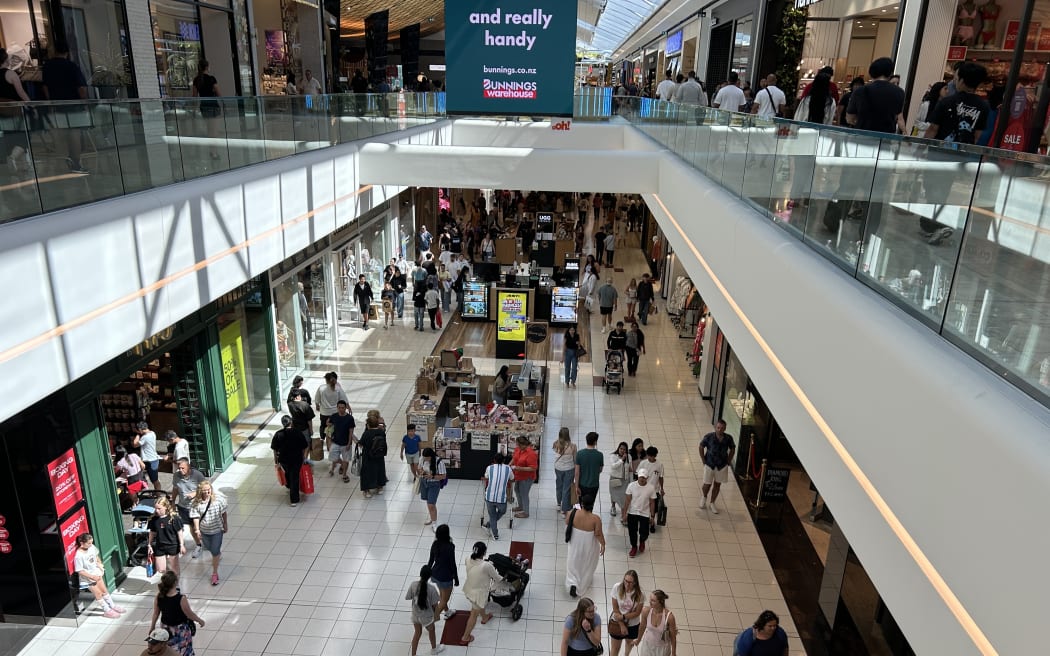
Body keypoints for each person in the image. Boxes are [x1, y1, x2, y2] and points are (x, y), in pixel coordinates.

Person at [42, 45, 90, 173]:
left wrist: (50, 102)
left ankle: (64, 163)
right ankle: (76, 163)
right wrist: (85, 104)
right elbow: (81, 87)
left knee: (60, 134)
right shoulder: (71, 66)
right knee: (74, 133)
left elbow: (45, 87)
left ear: (54, 51)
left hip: (57, 104)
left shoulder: (47, 66)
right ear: (67, 53)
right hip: (73, 104)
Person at [924, 62, 989, 144]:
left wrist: (922, 146)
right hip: (964, 150)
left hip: (941, 148)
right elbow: (977, 135)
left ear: (961, 81)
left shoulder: (946, 101)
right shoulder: (983, 106)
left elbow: (933, 129)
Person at [149, 571, 205, 656]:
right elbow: (189, 614)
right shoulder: (181, 598)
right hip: (180, 629)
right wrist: (200, 620)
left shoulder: (159, 596)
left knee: (170, 649)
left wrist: (152, 626)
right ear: (175, 582)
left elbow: (156, 613)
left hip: (165, 628)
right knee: (184, 649)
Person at [846, 58, 906, 134]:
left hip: (862, 135)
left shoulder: (860, 91)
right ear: (890, 73)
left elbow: (850, 119)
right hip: (886, 137)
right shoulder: (899, 92)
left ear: (871, 72)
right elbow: (898, 116)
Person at [460, 542, 502, 645]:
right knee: (474, 614)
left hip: (468, 589)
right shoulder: (486, 565)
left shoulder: (467, 558)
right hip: (478, 595)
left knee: (479, 606)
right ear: (484, 553)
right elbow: (497, 578)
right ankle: (465, 637)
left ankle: (485, 617)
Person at [74, 533, 125, 618]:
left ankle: (112, 606)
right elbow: (80, 570)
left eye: (91, 542)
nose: (91, 545)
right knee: (98, 593)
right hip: (88, 578)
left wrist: (100, 564)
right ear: (82, 543)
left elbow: (96, 556)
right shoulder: (79, 556)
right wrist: (92, 577)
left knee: (104, 590)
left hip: (96, 573)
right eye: (89, 543)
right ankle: (107, 610)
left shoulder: (91, 547)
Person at [565, 493, 606, 598]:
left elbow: (567, 522)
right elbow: (598, 533)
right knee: (587, 562)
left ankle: (572, 582)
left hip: (575, 542)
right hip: (588, 544)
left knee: (573, 562)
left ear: (582, 503)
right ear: (592, 504)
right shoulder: (595, 519)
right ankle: (582, 583)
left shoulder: (572, 513)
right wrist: (603, 544)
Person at [0, 48, 32, 176]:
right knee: (24, 135)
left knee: (9, 136)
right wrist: (31, 105)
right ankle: (13, 157)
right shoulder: (10, 74)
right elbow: (21, 93)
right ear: (5, 59)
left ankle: (23, 165)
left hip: (1, 111)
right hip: (14, 110)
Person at [189, 480, 227, 586]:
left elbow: (224, 513)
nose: (207, 492)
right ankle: (217, 554)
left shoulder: (218, 500)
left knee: (214, 550)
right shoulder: (196, 503)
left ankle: (214, 573)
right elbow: (195, 517)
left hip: (217, 530)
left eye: (208, 490)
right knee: (209, 548)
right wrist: (197, 530)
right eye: (204, 490)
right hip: (204, 530)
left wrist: (225, 524)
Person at [406, 565, 446, 656]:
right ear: (430, 576)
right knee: (431, 631)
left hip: (415, 615)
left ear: (420, 574)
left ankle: (413, 654)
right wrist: (436, 616)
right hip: (426, 617)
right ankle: (434, 650)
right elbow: (435, 605)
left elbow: (409, 597)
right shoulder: (432, 589)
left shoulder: (413, 584)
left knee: (417, 634)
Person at [271, 415, 309, 507]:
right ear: (291, 422)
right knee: (294, 477)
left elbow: (274, 449)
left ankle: (289, 485)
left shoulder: (278, 434)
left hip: (284, 460)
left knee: (288, 473)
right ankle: (294, 499)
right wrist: (304, 457)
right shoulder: (297, 432)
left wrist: (276, 461)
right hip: (296, 459)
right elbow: (304, 446)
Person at [699, 419, 736, 514]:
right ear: (715, 427)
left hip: (722, 465)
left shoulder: (728, 438)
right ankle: (704, 496)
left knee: (717, 485)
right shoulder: (709, 437)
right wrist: (703, 460)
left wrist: (729, 460)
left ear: (725, 429)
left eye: (722, 428)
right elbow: (701, 446)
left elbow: (732, 448)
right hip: (709, 464)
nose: (720, 430)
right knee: (707, 484)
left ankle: (712, 502)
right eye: (718, 427)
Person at [170, 458, 205, 558]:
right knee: (191, 527)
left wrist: (195, 493)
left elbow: (206, 488)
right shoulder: (176, 476)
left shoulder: (197, 475)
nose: (180, 470)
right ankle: (198, 545)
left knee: (199, 527)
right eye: (179, 468)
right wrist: (173, 501)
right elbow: (175, 489)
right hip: (183, 506)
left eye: (183, 468)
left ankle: (205, 541)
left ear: (188, 467)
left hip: (197, 506)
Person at [191, 60, 223, 162]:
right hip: (213, 106)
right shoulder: (211, 79)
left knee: (209, 130)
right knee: (214, 131)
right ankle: (214, 152)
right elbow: (219, 94)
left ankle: (212, 151)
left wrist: (194, 109)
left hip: (204, 107)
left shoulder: (196, 80)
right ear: (207, 67)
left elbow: (194, 97)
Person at [623, 468, 658, 558]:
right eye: (640, 477)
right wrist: (624, 513)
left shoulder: (651, 488)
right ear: (637, 476)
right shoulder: (631, 486)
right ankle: (634, 547)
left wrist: (652, 516)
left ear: (647, 478)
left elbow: (652, 503)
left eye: (644, 477)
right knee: (632, 532)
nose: (642, 479)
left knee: (644, 532)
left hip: (644, 513)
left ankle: (642, 541)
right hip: (632, 512)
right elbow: (627, 500)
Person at [428, 524, 459, 620]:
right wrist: (456, 578)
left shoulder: (435, 544)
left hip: (435, 574)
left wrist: (427, 573)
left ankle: (447, 611)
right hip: (446, 577)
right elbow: (452, 564)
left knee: (442, 595)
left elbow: (431, 560)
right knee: (444, 600)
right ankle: (431, 620)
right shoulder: (450, 547)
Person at [147, 497, 185, 576]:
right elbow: (152, 532)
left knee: (174, 568)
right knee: (161, 569)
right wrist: (149, 544)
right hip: (160, 546)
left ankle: (175, 581)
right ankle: (167, 578)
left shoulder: (174, 518)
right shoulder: (154, 519)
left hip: (172, 545)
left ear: (166, 507)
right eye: (156, 508)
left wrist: (181, 545)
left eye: (159, 508)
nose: (157, 511)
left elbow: (179, 532)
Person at [610, 570, 644, 656]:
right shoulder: (617, 587)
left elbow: (637, 612)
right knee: (614, 649)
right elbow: (615, 608)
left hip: (632, 624)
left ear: (635, 582)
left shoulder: (640, 594)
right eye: (625, 581)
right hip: (617, 623)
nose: (627, 584)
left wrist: (623, 617)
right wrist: (622, 625)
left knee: (629, 645)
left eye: (630, 582)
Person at [634, 590, 678, 656]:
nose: (650, 602)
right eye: (650, 599)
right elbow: (642, 627)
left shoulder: (669, 617)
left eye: (653, 601)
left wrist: (673, 653)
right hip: (647, 646)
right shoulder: (646, 611)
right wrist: (638, 640)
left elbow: (673, 637)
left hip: (662, 649)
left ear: (660, 602)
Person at [481, 452, 513, 540]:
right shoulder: (508, 468)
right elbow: (512, 478)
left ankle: (489, 525)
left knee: (492, 516)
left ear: (494, 460)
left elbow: (486, 476)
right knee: (502, 511)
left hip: (489, 497)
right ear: (504, 460)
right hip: (501, 498)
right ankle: (495, 534)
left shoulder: (489, 468)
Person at [358, 410, 388, 498]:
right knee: (380, 470)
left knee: (366, 472)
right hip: (379, 455)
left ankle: (366, 490)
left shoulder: (366, 433)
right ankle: (380, 487)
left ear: (368, 425)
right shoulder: (381, 432)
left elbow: (361, 444)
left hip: (368, 456)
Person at [326, 400, 356, 481]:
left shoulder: (349, 418)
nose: (341, 409)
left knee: (346, 459)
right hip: (335, 442)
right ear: (337, 407)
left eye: (343, 408)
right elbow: (328, 423)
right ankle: (339, 465)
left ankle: (344, 474)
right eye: (339, 408)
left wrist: (349, 443)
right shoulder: (334, 416)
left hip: (345, 443)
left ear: (346, 408)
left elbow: (351, 432)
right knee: (334, 457)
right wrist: (328, 423)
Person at [315, 371, 349, 441]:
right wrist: (347, 407)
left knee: (323, 425)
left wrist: (317, 406)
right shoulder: (338, 388)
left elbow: (317, 399)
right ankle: (333, 438)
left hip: (324, 412)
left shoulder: (321, 388)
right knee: (334, 426)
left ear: (326, 380)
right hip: (335, 412)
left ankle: (322, 438)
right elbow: (343, 399)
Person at [510, 436, 538, 519]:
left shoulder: (531, 454)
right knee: (517, 490)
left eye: (519, 445)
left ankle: (526, 512)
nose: (517, 446)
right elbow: (514, 458)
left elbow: (533, 468)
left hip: (527, 477)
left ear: (523, 444)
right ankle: (521, 506)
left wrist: (519, 468)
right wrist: (509, 465)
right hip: (518, 475)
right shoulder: (518, 449)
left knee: (524, 494)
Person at [419, 447, 447, 527]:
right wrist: (422, 472)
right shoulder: (422, 459)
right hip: (424, 482)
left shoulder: (439, 462)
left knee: (431, 504)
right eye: (424, 458)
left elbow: (443, 476)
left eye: (427, 458)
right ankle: (432, 518)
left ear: (431, 456)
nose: (426, 460)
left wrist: (432, 477)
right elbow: (419, 468)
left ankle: (434, 523)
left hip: (434, 484)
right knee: (428, 502)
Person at [553, 427, 577, 514]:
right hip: (569, 469)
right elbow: (575, 459)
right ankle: (565, 509)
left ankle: (559, 504)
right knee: (566, 488)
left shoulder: (555, 444)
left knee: (559, 486)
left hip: (558, 468)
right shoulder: (573, 446)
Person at [575, 431, 604, 503]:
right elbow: (600, 470)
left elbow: (577, 472)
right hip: (594, 485)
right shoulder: (600, 455)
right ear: (595, 442)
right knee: (590, 505)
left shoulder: (579, 454)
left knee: (581, 504)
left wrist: (576, 486)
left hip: (582, 484)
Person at [133, 421, 163, 490]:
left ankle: (158, 494)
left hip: (150, 461)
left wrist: (137, 434)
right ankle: (157, 493)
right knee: (154, 479)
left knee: (155, 480)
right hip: (152, 459)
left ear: (140, 429)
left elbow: (135, 444)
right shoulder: (152, 433)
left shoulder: (145, 437)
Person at [609, 442, 631, 520]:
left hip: (625, 480)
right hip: (615, 479)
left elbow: (630, 467)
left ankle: (623, 514)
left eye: (624, 449)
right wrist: (621, 460)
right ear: (618, 448)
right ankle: (613, 507)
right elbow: (613, 466)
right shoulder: (613, 456)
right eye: (621, 448)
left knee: (623, 497)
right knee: (613, 495)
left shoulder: (629, 456)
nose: (622, 450)